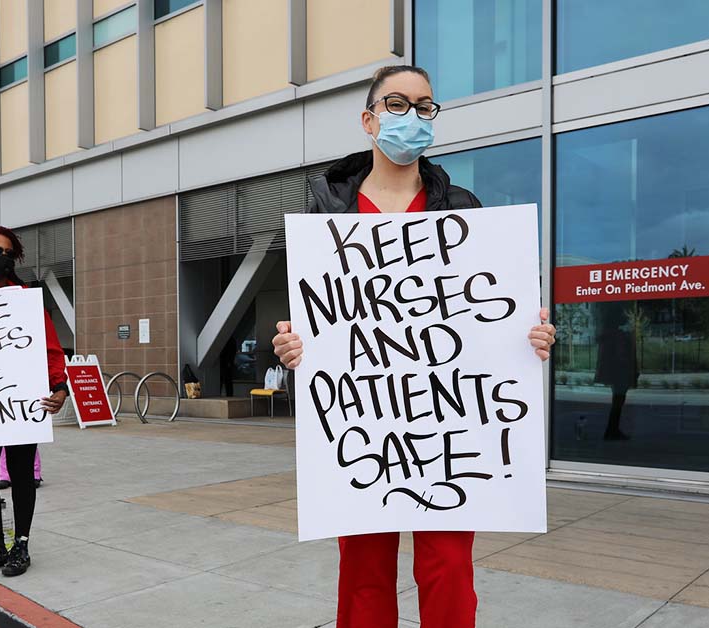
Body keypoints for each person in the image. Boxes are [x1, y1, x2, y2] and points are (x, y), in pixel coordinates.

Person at [270, 66, 557, 628]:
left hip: (449, 430)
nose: (413, 116)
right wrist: (292, 348)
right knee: (363, 567)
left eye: (425, 107)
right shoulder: (328, 215)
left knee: (449, 565)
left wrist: (530, 337)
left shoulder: (464, 209)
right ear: (369, 119)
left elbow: (489, 314)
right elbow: (317, 321)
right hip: (365, 428)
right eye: (398, 103)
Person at [0, 225, 69, 579]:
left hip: (20, 404)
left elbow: (51, 349)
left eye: (7, 253)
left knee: (21, 476)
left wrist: (60, 387)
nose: (0, 258)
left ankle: (21, 545)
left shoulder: (26, 301)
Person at [593, 302, 638, 441]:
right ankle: (612, 430)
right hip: (620, 373)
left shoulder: (607, 334)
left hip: (615, 372)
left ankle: (612, 429)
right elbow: (622, 357)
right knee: (618, 401)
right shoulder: (618, 336)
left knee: (617, 401)